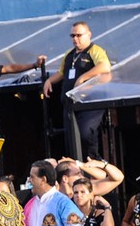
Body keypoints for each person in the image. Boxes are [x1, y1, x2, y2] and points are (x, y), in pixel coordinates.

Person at [42, 21, 112, 160]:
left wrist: (83, 78)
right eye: (73, 35)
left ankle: (94, 161)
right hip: (70, 105)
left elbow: (105, 67)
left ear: (89, 35)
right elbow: (62, 72)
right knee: (72, 140)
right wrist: (49, 81)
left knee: (86, 134)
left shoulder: (95, 50)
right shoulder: (69, 54)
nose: (75, 39)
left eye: (79, 35)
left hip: (88, 102)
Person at [55, 156, 123, 199]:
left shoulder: (86, 190)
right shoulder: (52, 195)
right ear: (65, 179)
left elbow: (118, 178)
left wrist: (101, 164)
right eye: (78, 174)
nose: (82, 177)